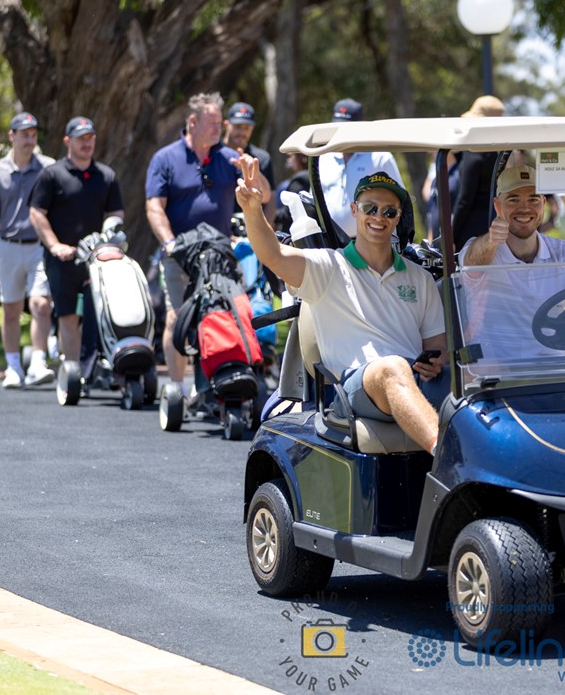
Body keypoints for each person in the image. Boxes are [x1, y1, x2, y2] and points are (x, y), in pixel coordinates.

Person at [237, 162, 446, 454]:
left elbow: (438, 349)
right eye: (370, 208)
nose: (379, 217)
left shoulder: (419, 278)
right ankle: (447, 455)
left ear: (398, 217)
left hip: (411, 382)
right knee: (392, 368)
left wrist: (436, 362)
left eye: (389, 211)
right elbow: (274, 255)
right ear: (354, 210)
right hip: (354, 389)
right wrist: (252, 210)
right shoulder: (328, 266)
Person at [146, 92, 270, 394]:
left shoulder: (228, 157)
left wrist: (250, 174)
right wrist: (170, 242)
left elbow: (265, 195)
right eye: (212, 124)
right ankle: (176, 389)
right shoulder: (165, 158)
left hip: (218, 255)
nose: (219, 129)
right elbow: (154, 207)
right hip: (179, 255)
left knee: (223, 315)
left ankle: (213, 387)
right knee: (177, 316)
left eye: (220, 123)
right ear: (192, 122)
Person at [459, 165, 565, 359]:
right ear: (498, 206)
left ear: (543, 203)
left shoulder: (564, 253)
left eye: (533, 199)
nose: (524, 208)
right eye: (514, 199)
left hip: (548, 369)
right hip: (495, 372)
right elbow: (472, 261)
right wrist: (491, 240)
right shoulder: (483, 250)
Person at [29, 117, 124, 375]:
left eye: (91, 137)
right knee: (68, 315)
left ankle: (95, 366)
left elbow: (116, 213)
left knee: (99, 314)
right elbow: (37, 213)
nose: (87, 143)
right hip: (63, 259)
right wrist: (55, 245)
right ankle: (73, 374)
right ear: (68, 141)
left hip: (96, 260)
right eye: (81, 138)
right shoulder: (52, 175)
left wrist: (108, 239)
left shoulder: (105, 175)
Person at [0, 113, 56, 389]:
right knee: (11, 310)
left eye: (33, 134)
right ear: (11, 136)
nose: (30, 139)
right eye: (24, 134)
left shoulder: (49, 168)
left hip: (38, 247)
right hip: (9, 246)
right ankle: (12, 366)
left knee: (41, 304)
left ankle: (37, 362)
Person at [318, 98, 405, 239]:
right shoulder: (324, 158)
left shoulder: (380, 158)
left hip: (370, 244)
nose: (341, 133)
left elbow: (401, 203)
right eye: (338, 127)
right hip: (329, 242)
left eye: (347, 128)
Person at [452, 95, 506, 252]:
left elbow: (465, 199)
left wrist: (452, 235)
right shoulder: (499, 153)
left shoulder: (475, 153)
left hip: (472, 228)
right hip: (494, 223)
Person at [224, 101, 275, 221]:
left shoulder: (260, 159)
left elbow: (270, 198)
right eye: (237, 127)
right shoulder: (212, 154)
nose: (242, 133)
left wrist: (265, 233)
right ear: (226, 125)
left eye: (246, 128)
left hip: (251, 229)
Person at [421, 151, 459, 241]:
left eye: (433, 150)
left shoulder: (457, 176)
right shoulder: (436, 178)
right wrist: (430, 239)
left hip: (451, 242)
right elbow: (433, 210)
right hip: (436, 241)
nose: (429, 153)